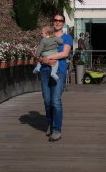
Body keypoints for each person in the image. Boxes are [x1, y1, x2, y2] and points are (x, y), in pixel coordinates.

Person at [37, 13, 72, 142]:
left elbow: (65, 53)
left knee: (55, 101)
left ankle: (57, 130)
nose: (57, 22)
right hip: (45, 71)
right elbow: (39, 55)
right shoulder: (45, 37)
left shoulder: (67, 38)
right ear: (53, 22)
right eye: (55, 20)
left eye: (60, 20)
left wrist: (49, 57)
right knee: (47, 101)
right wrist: (45, 61)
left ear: (63, 23)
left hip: (59, 72)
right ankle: (50, 124)